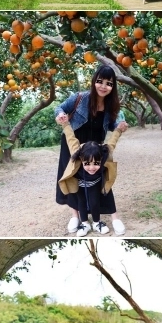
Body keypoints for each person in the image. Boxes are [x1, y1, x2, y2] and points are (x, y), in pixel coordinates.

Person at [54, 64, 129, 235]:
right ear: (94, 81)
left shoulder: (111, 106)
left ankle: (114, 217)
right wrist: (60, 116)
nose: (103, 86)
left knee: (102, 178)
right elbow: (59, 108)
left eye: (109, 83)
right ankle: (76, 215)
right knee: (73, 177)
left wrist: (119, 126)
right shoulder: (80, 98)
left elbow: (110, 125)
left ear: (113, 86)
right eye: (100, 81)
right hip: (72, 144)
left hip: (95, 147)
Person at [55, 120, 121, 236]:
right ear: (81, 159)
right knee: (81, 203)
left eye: (96, 163)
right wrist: (65, 124)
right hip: (80, 185)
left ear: (101, 158)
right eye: (87, 164)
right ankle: (84, 223)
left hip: (95, 184)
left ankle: (96, 223)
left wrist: (119, 129)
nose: (91, 168)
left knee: (95, 202)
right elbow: (70, 138)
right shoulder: (77, 152)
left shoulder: (104, 153)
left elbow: (112, 142)